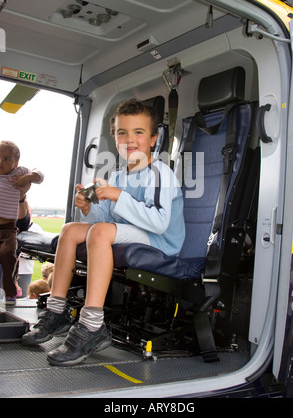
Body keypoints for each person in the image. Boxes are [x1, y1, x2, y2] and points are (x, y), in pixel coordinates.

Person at [22, 99, 185, 367]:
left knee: (98, 233)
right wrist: (89, 208)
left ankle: (93, 325)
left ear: (154, 139)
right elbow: (107, 220)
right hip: (136, 233)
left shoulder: (159, 174)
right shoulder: (120, 176)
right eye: (122, 133)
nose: (129, 140)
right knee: (71, 229)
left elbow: (158, 223)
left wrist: (116, 195)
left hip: (161, 242)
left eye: (139, 133)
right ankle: (56, 311)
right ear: (114, 137)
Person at [0, 141, 44, 303]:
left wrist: (29, 177)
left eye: (6, 159)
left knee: (8, 255)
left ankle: (11, 289)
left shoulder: (17, 175)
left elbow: (39, 174)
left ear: (16, 162)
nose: (1, 162)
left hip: (8, 227)